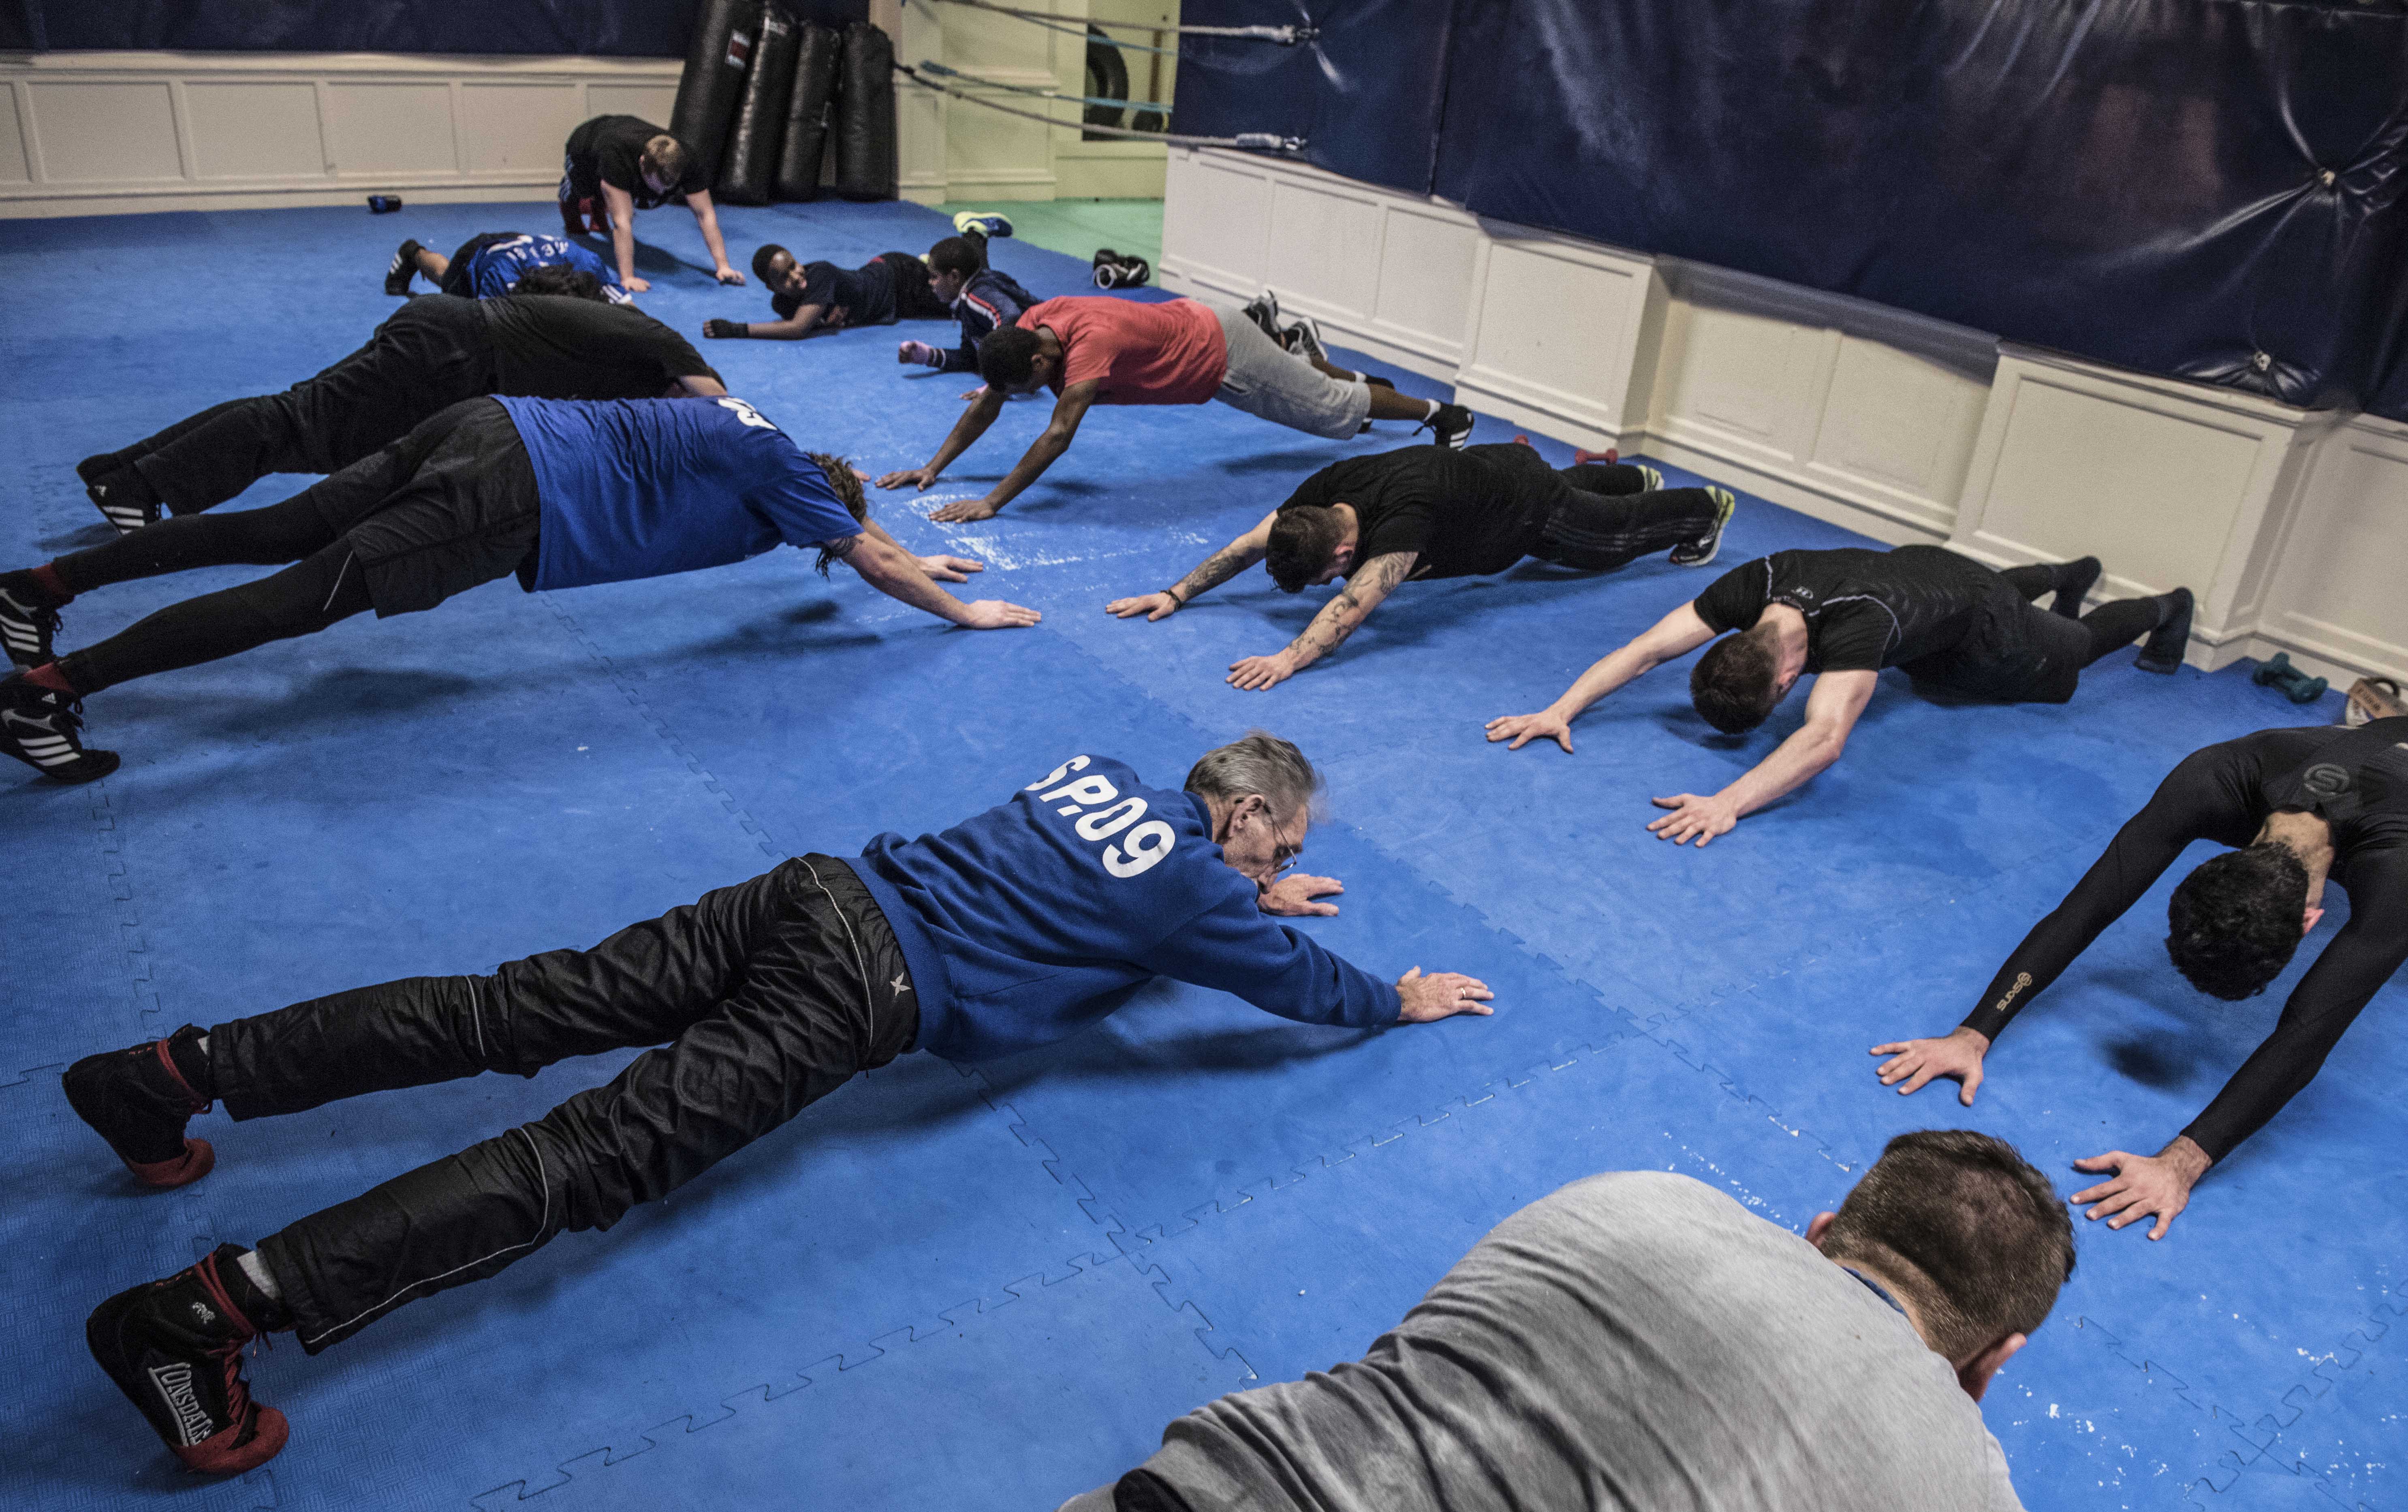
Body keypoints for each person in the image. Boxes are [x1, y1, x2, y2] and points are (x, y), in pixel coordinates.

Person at [64, 733, 1497, 1471]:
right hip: (852, 995)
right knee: (583, 1159)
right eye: (1279, 843)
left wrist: (1245, 896)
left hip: (806, 890)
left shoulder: (1100, 774)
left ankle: (165, 1076)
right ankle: (197, 1321)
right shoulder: (1202, 889)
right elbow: (1297, 984)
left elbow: (1154, 895)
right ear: (1244, 818)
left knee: (509, 1007)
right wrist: (1393, 995)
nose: (1277, 862)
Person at [1, 394, 1034, 782]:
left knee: (281, 526)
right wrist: (964, 606)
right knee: (300, 598)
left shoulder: (758, 432)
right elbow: (872, 554)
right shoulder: (792, 486)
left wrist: (887, 540)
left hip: (483, 421)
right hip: (516, 495)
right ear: (822, 504)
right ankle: (49, 689)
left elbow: (858, 530)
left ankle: (41, 583)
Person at [1062, 1128, 2072, 1512]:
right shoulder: (1968, 1480)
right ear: (1991, 1365)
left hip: (1189, 1489)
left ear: (1818, 1232)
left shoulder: (1645, 1194)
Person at [1872, 717, 2408, 1241]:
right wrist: (1972, 1033)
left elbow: (2306, 1031)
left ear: (2309, 923)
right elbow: (2085, 909)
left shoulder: (2395, 870)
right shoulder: (2212, 779)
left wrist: (2181, 1164)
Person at [1485, 545, 2196, 846]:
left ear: (1785, 682)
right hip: (1921, 567)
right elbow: (1645, 650)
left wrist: (1726, 801)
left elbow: (1823, 738)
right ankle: (2065, 570)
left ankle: (2164, 608)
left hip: (1973, 617)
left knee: (2067, 657)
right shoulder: (1751, 584)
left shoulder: (1859, 632)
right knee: (1941, 634)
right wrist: (1559, 709)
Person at [72, 291, 724, 534]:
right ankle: (140, 487)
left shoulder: (633, 361)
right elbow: (725, 415)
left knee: (296, 417)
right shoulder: (667, 346)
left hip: (443, 339)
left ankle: (124, 470)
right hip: (451, 351)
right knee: (300, 430)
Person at [1106, 440, 1736, 691]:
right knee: (1581, 495)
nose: (1330, 583)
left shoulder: (1400, 529)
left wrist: (1285, 658)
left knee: (1607, 545)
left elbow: (1350, 609)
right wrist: (1176, 592)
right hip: (1487, 477)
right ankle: (1631, 477)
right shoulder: (1317, 500)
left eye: (1328, 574)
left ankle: (1702, 508)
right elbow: (1247, 545)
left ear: (1344, 554)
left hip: (1523, 507)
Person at [874, 295, 1476, 524]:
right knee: (1301, 380)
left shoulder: (1089, 349)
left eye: (1024, 388)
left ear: (1038, 365)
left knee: (1329, 410)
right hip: (1199, 324)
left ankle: (1439, 414)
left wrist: (992, 500)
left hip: (1219, 357)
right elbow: (988, 404)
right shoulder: (1030, 327)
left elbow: (1058, 436)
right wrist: (934, 467)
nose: (1018, 397)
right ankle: (1294, 348)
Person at [556, 115, 744, 293]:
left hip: (622, 144)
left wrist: (723, 266)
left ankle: (600, 206)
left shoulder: (688, 161)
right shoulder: (617, 157)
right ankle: (576, 201)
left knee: (622, 198)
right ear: (642, 163)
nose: (661, 193)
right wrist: (628, 277)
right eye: (658, 183)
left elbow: (706, 214)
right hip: (587, 144)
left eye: (668, 186)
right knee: (580, 206)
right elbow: (622, 223)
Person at [703, 245, 953, 342]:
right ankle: (929, 266)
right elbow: (807, 324)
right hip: (895, 304)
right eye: (784, 277)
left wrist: (738, 330)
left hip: (900, 279)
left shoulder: (820, 274)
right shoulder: (782, 305)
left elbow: (798, 329)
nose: (795, 276)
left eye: (794, 266)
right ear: (773, 288)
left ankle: (975, 234)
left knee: (966, 297)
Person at [895, 234, 1039, 376]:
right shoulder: (969, 301)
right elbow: (970, 359)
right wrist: (928, 355)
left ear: (955, 277)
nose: (930, 283)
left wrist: (997, 384)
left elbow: (1010, 314)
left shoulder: (974, 295)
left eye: (934, 277)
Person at [384, 231, 629, 303]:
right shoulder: (502, 281)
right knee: (444, 276)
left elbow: (631, 314)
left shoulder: (590, 264)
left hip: (526, 245)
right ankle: (414, 253)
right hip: (478, 258)